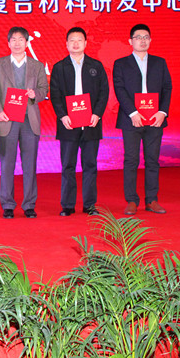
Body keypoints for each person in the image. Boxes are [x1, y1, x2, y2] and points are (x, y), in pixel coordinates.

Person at [0, 27, 49, 219]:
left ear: (27, 43)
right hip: (8, 120)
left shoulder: (37, 66)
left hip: (29, 121)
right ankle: (7, 204)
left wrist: (34, 94)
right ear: (8, 43)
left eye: (21, 39)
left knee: (30, 165)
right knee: (7, 164)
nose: (17, 43)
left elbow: (44, 89)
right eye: (13, 39)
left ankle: (29, 204)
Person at [113, 24, 172, 216]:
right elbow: (119, 89)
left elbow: (167, 88)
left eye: (146, 37)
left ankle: (152, 200)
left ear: (150, 40)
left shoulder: (159, 62)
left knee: (152, 160)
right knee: (131, 160)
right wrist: (133, 113)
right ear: (130, 41)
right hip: (131, 119)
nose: (142, 40)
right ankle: (131, 200)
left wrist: (162, 112)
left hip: (155, 118)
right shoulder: (121, 63)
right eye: (138, 37)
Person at [49, 27, 109, 217]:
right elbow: (55, 95)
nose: (76, 44)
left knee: (90, 165)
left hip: (91, 124)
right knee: (68, 165)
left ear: (85, 43)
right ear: (66, 44)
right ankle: (67, 205)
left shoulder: (96, 66)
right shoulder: (59, 67)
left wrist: (97, 114)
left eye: (79, 40)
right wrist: (62, 116)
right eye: (72, 40)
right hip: (68, 124)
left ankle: (90, 204)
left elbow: (104, 93)